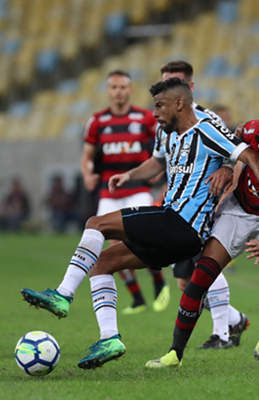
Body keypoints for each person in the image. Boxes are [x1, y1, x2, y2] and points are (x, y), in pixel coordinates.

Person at [21, 77, 259, 369]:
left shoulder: (207, 130)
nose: (155, 113)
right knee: (102, 264)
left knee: (96, 223)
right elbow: (156, 163)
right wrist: (130, 175)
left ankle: (62, 295)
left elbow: (246, 153)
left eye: (160, 106)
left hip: (180, 222)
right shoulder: (168, 134)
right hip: (177, 235)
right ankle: (109, 337)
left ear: (179, 103)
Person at [145, 104, 259, 368]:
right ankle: (174, 354)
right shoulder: (257, 129)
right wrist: (227, 164)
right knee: (201, 274)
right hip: (239, 210)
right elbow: (235, 136)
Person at [159, 61, 250, 348]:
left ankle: (221, 334)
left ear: (190, 87)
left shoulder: (207, 120)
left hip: (202, 207)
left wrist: (225, 168)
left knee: (207, 267)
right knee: (185, 283)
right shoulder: (163, 122)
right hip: (177, 207)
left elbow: (233, 149)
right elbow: (164, 161)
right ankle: (235, 319)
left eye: (174, 82)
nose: (166, 88)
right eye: (164, 82)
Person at [81, 70, 169, 315]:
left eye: (122, 87)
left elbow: (165, 147)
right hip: (109, 191)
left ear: (130, 90)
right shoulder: (97, 121)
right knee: (112, 245)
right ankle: (137, 297)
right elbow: (87, 157)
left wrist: (161, 170)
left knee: (141, 239)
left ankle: (158, 282)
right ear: (108, 91)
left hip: (138, 188)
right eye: (114, 87)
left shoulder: (145, 118)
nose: (118, 92)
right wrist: (88, 174)